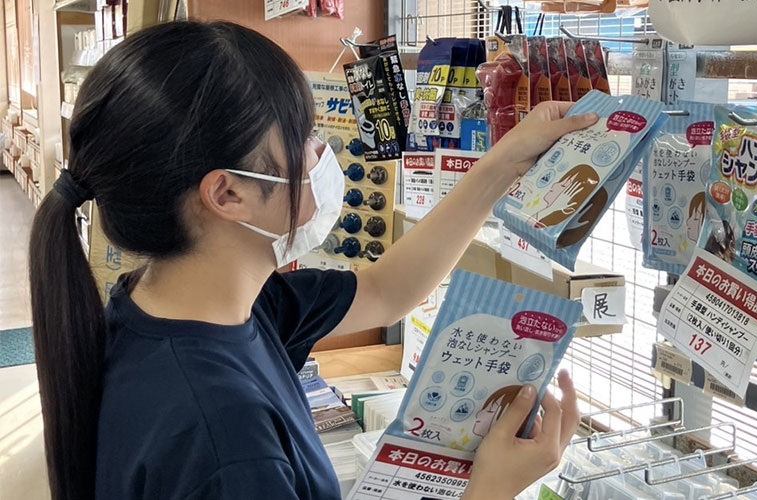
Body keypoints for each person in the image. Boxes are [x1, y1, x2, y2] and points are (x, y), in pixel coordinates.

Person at [28, 21, 598, 500]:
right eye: (303, 137)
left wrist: (504, 162)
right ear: (228, 193)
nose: (322, 154)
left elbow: (385, 291)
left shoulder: (197, 307)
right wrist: (490, 490)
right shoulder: (226, 440)